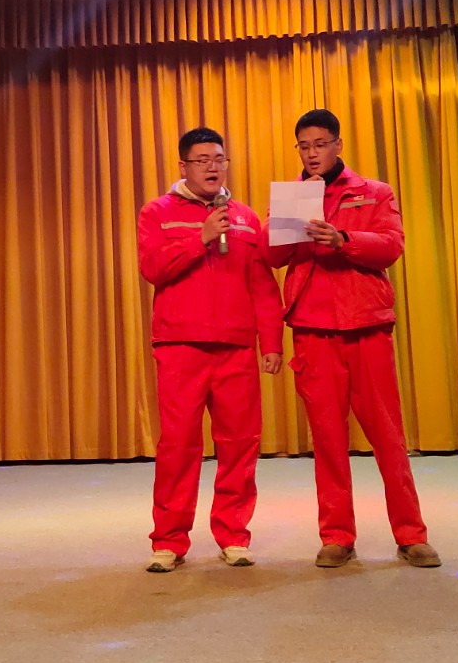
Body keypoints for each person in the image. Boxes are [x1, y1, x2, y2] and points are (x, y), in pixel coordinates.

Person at [261, 109, 441, 570]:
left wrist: (343, 238)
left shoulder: (373, 191)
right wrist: (288, 221)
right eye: (304, 146)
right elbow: (272, 256)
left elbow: (392, 245)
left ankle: (411, 534)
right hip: (313, 328)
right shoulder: (292, 195)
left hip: (366, 327)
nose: (312, 153)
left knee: (388, 435)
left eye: (320, 144)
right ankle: (337, 535)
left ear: (338, 145)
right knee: (326, 438)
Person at [137, 127, 284, 572]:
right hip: (180, 346)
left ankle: (233, 535)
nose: (213, 167)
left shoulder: (245, 218)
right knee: (179, 445)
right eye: (202, 160)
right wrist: (198, 238)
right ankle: (169, 540)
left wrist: (271, 341)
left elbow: (262, 286)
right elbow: (153, 268)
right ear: (183, 166)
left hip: (235, 347)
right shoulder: (157, 212)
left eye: (219, 159)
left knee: (240, 444)